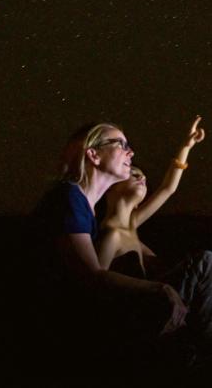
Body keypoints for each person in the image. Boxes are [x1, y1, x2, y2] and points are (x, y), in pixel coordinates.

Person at [30, 122, 189, 371]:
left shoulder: (82, 206)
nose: (131, 152)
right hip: (54, 334)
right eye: (121, 144)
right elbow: (90, 278)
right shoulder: (68, 199)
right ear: (93, 155)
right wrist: (160, 289)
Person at [96, 116, 212, 344]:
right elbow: (96, 281)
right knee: (206, 261)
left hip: (155, 300)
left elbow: (167, 188)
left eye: (143, 177)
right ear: (110, 188)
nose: (141, 178)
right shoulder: (111, 233)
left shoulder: (131, 223)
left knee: (207, 262)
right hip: (140, 308)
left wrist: (186, 147)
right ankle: (209, 342)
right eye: (134, 174)